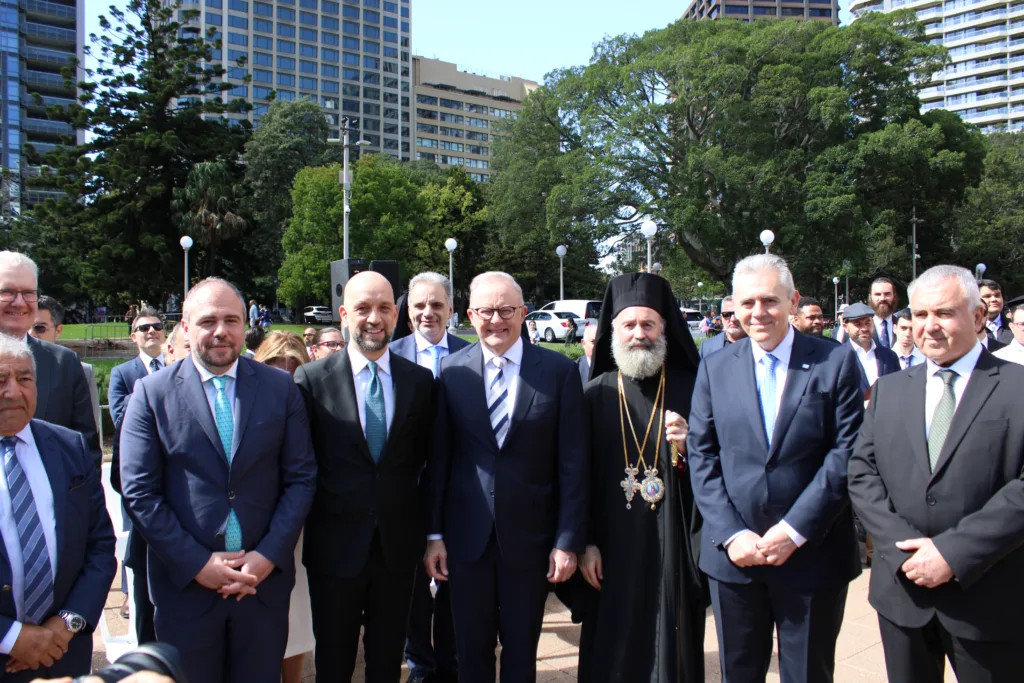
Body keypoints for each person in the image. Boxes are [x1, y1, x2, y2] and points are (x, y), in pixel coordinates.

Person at [118, 277, 317, 683]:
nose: (221, 331)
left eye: (231, 320)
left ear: (245, 325)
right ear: (185, 327)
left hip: (262, 587)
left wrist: (267, 557)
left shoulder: (281, 389)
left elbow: (301, 479)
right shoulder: (151, 394)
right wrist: (197, 563)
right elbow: (139, 491)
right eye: (208, 321)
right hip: (186, 590)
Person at [687, 254, 864, 683]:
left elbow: (846, 452)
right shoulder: (713, 366)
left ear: (793, 301)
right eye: (747, 303)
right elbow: (702, 454)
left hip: (813, 554)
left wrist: (793, 531)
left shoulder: (835, 361)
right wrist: (732, 534)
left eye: (770, 300)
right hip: (736, 559)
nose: (758, 312)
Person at [848, 265, 1024, 683]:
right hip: (902, 594)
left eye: (944, 313)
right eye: (921, 314)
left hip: (989, 598)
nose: (929, 326)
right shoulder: (890, 390)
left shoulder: (1017, 386)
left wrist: (952, 553)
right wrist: (902, 551)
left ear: (978, 317)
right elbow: (862, 472)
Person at [423, 272, 587, 683]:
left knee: (520, 653)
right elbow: (440, 460)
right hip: (466, 541)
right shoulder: (451, 371)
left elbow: (573, 463)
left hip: (532, 541)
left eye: (506, 310)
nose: (496, 320)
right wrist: (434, 535)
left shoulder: (558, 371)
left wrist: (568, 540)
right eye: (485, 311)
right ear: (470, 316)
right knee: (470, 652)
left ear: (524, 313)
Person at [295, 271, 435, 683]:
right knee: (334, 662)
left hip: (397, 549)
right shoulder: (311, 381)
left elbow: (428, 461)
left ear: (396, 315)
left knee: (387, 661)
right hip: (333, 549)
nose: (374, 318)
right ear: (343, 314)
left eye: (384, 308)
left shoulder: (420, 382)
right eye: (363, 308)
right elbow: (300, 466)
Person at [570, 273, 708, 683]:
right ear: (613, 330)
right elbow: (576, 479)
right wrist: (585, 543)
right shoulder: (595, 393)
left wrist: (691, 445)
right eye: (629, 325)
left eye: (648, 324)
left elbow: (722, 465)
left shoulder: (694, 388)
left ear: (664, 328)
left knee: (674, 643)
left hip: (673, 543)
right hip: (609, 546)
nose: (639, 334)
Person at [0, 334, 116, 682]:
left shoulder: (69, 446)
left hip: (62, 654)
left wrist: (67, 623)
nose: (13, 392)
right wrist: (11, 637)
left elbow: (100, 544)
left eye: (24, 378)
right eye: (0, 380)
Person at [389, 272, 469, 683]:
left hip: (458, 495)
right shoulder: (388, 356)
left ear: (451, 309)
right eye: (419, 305)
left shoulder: (472, 356)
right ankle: (420, 666)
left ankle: (451, 665)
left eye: (437, 304)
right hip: (404, 496)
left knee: (455, 585)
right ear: (407, 312)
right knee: (411, 590)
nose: (428, 313)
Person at [251, 332, 314, 683]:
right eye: (276, 369)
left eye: (293, 371)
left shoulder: (312, 404)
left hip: (299, 529)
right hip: (253, 527)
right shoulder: (246, 402)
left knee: (297, 619)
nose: (285, 380)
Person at [0, 252, 100, 469]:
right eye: (7, 292)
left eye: (28, 293)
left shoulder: (64, 363)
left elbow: (86, 451)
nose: (19, 302)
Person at [107, 308, 167, 644]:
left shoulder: (177, 365)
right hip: (138, 477)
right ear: (134, 336)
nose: (151, 331)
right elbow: (120, 416)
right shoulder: (122, 373)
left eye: (157, 326)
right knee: (135, 541)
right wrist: (155, 389)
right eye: (143, 328)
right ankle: (130, 593)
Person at [32, 296, 100, 430]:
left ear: (58, 331)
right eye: (26, 327)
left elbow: (87, 431)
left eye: (39, 328)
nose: (31, 334)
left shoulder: (81, 371)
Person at [842, 302, 901, 396]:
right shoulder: (838, 358)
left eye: (868, 323)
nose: (864, 328)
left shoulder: (889, 356)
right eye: (858, 324)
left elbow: (898, 388)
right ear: (845, 327)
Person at [978, 279, 1013, 344]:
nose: (994, 299)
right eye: (987, 296)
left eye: (997, 295)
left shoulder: (1016, 327)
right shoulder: (969, 329)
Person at [869, 277, 899, 349]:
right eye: (878, 294)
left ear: (894, 296)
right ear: (870, 297)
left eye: (887, 294)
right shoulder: (861, 328)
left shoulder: (903, 325)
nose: (882, 298)